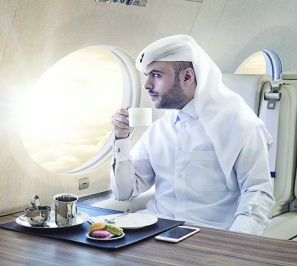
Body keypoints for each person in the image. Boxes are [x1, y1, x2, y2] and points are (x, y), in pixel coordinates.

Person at [109, 35, 274, 235]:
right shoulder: (158, 130)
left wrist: (236, 242)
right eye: (146, 76)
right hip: (155, 232)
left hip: (211, 237)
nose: (146, 85)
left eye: (156, 75)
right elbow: (124, 192)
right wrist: (121, 139)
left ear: (187, 77)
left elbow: (258, 192)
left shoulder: (241, 125)